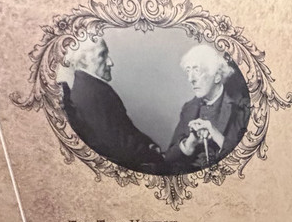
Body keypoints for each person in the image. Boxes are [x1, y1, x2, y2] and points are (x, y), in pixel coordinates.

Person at [58, 37, 163, 172]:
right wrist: (153, 154)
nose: (110, 62)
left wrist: (148, 143)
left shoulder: (93, 88)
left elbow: (126, 129)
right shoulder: (92, 93)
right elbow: (116, 145)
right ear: (83, 60)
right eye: (102, 55)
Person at [163, 44, 250, 173]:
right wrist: (190, 143)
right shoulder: (189, 108)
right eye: (188, 71)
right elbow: (168, 159)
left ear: (217, 76)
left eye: (197, 70)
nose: (190, 79)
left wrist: (216, 134)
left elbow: (247, 159)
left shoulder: (241, 107)